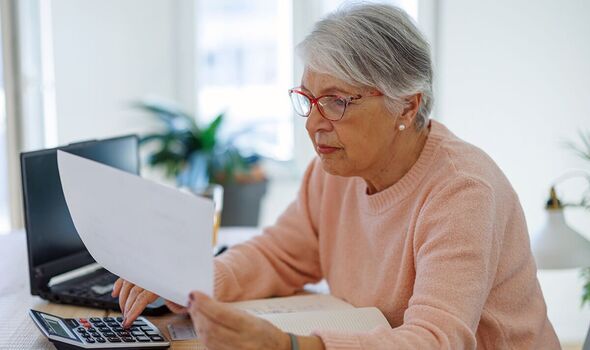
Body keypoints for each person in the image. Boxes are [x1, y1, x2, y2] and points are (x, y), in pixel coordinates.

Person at [113, 3, 560, 349]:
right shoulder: (334, 171)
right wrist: (187, 279)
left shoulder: (463, 191)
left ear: (406, 105)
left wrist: (289, 344)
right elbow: (277, 256)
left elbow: (436, 339)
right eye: (308, 98)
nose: (313, 123)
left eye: (337, 101)